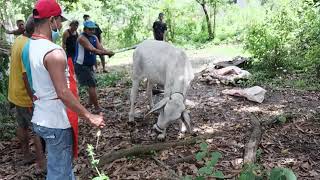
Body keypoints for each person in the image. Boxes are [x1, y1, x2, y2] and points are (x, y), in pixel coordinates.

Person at [29, 0, 106, 179]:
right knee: (59, 174)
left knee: (62, 169)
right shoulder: (53, 52)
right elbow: (63, 92)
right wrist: (90, 116)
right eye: (59, 20)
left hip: (41, 116)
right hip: (55, 121)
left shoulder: (31, 45)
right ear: (51, 21)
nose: (60, 24)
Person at [7, 15, 46, 172]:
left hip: (15, 92)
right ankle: (41, 164)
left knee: (22, 125)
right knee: (37, 130)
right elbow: (25, 76)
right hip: (25, 95)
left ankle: (26, 155)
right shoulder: (29, 46)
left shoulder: (18, 41)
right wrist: (33, 99)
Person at [74, 20, 114, 113]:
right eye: (90, 29)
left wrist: (107, 52)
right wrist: (106, 53)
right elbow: (92, 49)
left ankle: (90, 103)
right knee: (92, 85)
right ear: (85, 29)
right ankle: (97, 108)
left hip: (89, 65)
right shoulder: (81, 38)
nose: (92, 31)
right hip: (81, 66)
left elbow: (100, 48)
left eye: (93, 29)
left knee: (91, 85)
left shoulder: (94, 37)